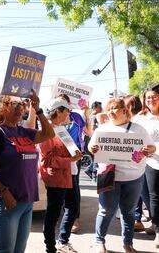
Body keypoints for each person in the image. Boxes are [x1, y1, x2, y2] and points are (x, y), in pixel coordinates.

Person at [0, 91, 54, 253]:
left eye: (22, 104)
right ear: (2, 107)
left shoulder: (24, 132)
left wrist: (38, 110)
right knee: (5, 250)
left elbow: (49, 134)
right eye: (14, 104)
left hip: (26, 201)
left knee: (19, 250)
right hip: (6, 203)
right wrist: (4, 192)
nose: (20, 108)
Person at [88, 98, 156, 253]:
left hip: (133, 178)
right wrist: (92, 147)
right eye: (109, 109)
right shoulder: (102, 129)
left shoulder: (138, 129)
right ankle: (99, 242)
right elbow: (91, 146)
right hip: (109, 176)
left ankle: (127, 243)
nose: (111, 112)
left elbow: (152, 146)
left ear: (124, 110)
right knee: (106, 211)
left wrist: (148, 149)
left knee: (129, 212)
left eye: (115, 108)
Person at [39, 98, 83, 253]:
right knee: (53, 214)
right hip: (56, 178)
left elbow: (71, 150)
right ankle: (50, 248)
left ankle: (62, 241)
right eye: (67, 110)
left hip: (70, 175)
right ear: (58, 111)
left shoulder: (62, 129)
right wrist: (70, 159)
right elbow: (47, 160)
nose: (69, 113)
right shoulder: (47, 130)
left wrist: (76, 153)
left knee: (73, 208)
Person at [57, 94, 92, 233]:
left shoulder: (77, 117)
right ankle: (64, 216)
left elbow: (88, 132)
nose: (63, 106)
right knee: (59, 187)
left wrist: (87, 114)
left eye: (65, 103)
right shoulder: (53, 118)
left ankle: (74, 218)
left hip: (74, 156)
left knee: (74, 187)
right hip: (59, 156)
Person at [133, 84, 159, 247]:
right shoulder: (140, 119)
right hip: (151, 162)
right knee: (154, 197)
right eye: (148, 97)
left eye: (154, 96)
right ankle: (158, 229)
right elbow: (132, 139)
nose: (151, 99)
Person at [123, 95, 153, 234]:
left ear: (130, 106)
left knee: (147, 194)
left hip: (146, 162)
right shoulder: (135, 119)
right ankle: (139, 219)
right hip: (136, 162)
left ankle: (152, 221)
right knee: (141, 193)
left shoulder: (140, 120)